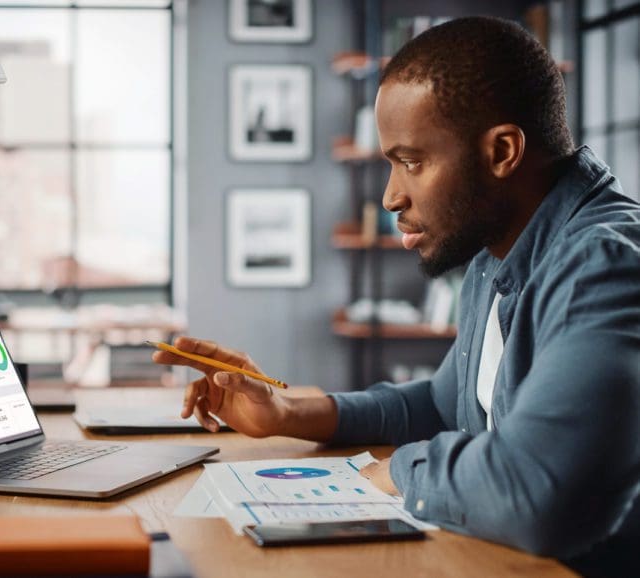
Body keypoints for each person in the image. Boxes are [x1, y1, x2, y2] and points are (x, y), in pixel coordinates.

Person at [154, 16, 639, 576]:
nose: (390, 196)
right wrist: (285, 411)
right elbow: (442, 406)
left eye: (411, 162)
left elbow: (537, 494)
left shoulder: (604, 266)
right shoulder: (497, 250)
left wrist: (402, 471)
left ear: (502, 151)